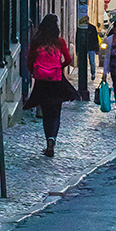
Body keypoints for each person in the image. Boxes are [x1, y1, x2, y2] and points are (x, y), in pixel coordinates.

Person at [24, 14, 77, 156]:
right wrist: (59, 67)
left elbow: (30, 60)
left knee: (46, 112)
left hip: (42, 82)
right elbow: (69, 59)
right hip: (56, 80)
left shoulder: (37, 41)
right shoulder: (59, 42)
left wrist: (36, 71)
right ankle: (53, 138)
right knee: (55, 112)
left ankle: (48, 139)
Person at [76, 14, 101, 81]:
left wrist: (96, 49)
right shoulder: (79, 28)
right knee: (83, 63)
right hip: (82, 48)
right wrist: (77, 51)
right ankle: (83, 75)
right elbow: (77, 39)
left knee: (92, 62)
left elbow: (96, 39)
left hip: (91, 48)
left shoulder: (92, 28)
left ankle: (93, 74)